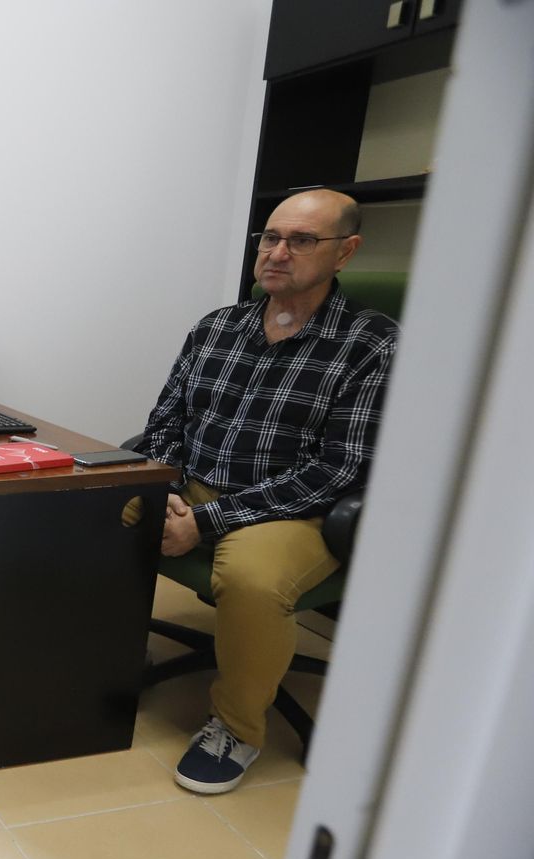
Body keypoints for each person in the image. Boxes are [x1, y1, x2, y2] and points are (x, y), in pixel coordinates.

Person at [136, 189, 398, 794]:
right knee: (86, 510)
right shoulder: (217, 326)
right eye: (270, 238)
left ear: (345, 252)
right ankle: (105, 660)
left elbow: (339, 470)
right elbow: (164, 425)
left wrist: (203, 524)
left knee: (254, 579)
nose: (277, 253)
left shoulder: (374, 344)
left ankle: (237, 728)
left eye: (301, 240)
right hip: (194, 489)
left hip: (297, 512)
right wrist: (169, 494)